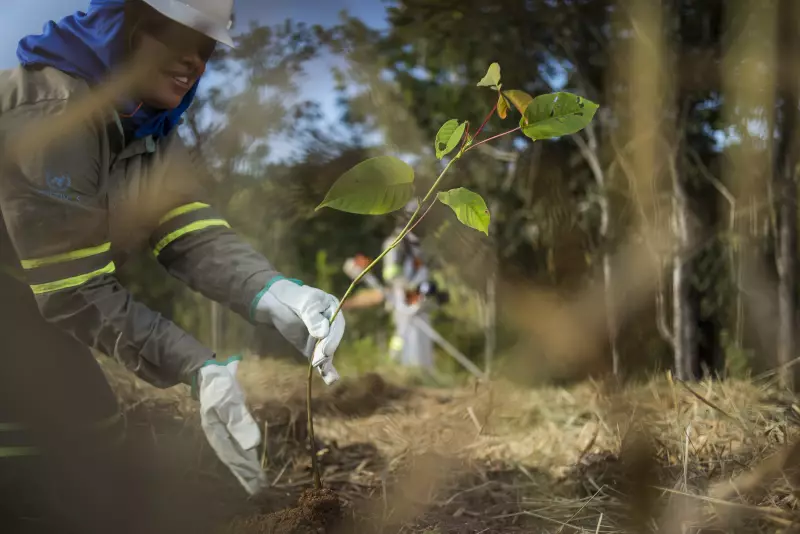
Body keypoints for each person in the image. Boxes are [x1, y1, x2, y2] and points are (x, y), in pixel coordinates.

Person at [0, 0, 345, 531]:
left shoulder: (147, 120)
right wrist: (195, 366)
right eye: (174, 37)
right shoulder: (57, 113)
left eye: (205, 48)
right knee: (43, 445)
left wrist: (273, 292)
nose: (193, 62)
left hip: (18, 294)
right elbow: (73, 288)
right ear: (124, 30)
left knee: (91, 436)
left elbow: (184, 227)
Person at [381, 201, 435, 370]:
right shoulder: (396, 243)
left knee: (422, 338)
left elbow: (424, 271)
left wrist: (430, 290)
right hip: (402, 299)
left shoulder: (419, 245)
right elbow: (390, 273)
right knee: (403, 335)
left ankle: (424, 372)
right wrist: (408, 289)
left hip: (419, 301)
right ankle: (396, 369)